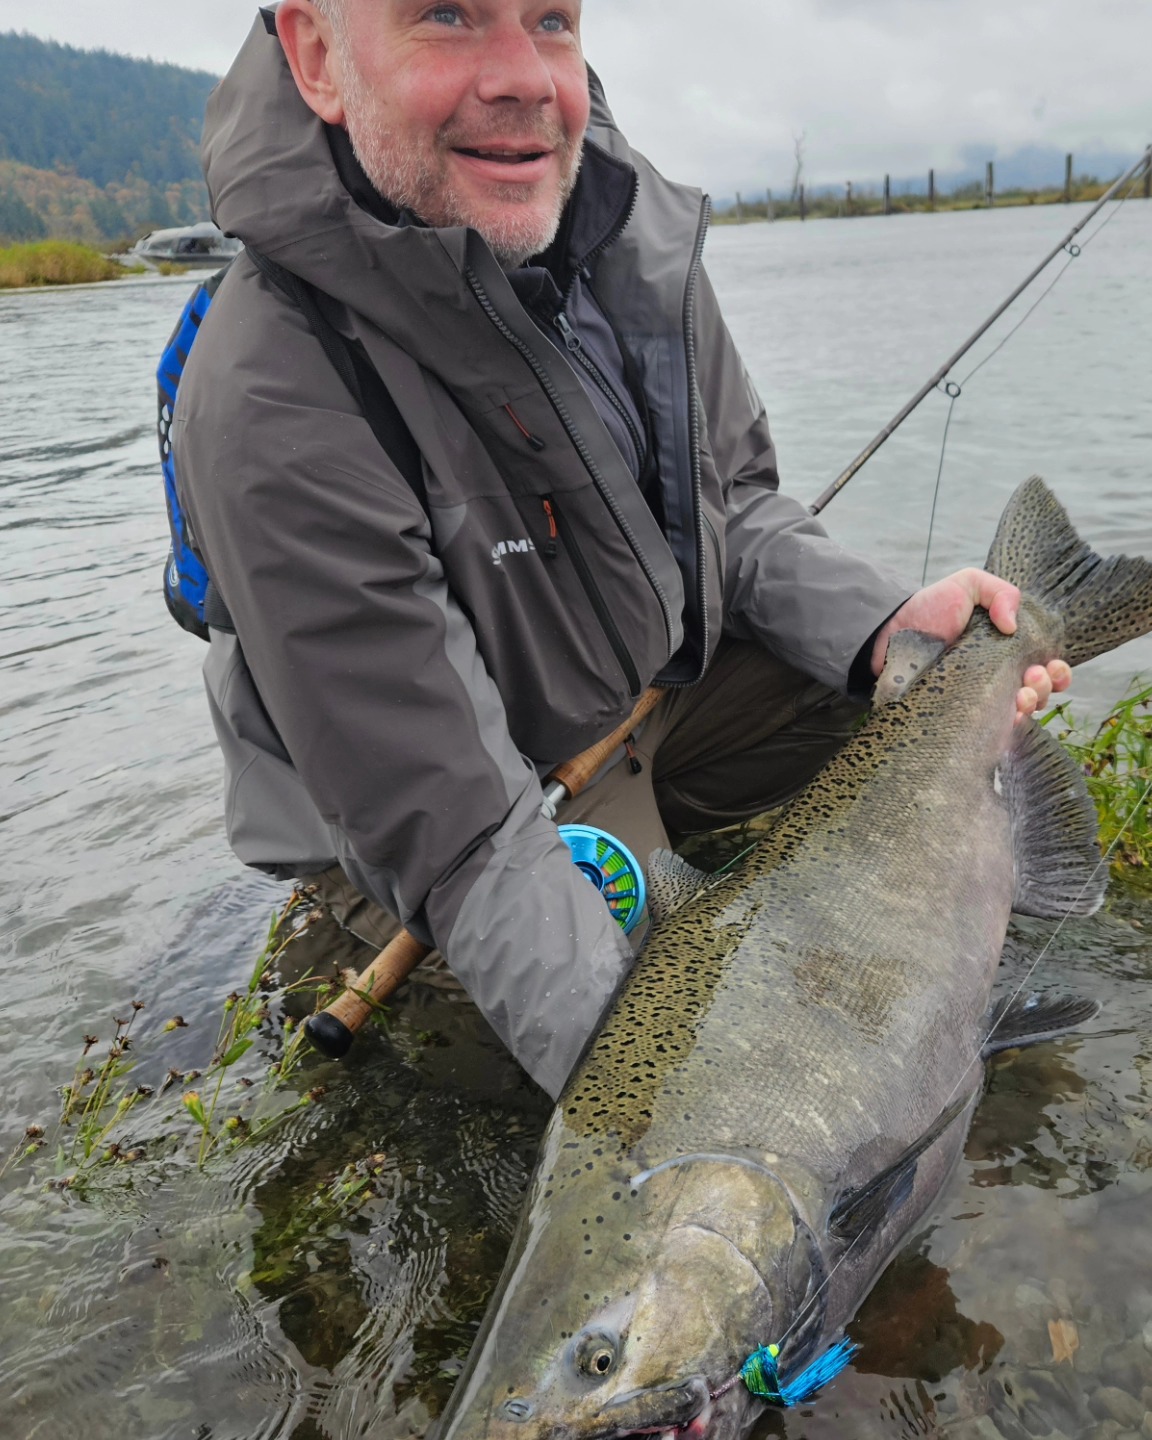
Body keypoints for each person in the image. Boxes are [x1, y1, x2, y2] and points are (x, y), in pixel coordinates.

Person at [174, 0, 1071, 1099]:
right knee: (564, 1068)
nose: (523, 77)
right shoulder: (269, 390)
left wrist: (884, 627)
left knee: (894, 696)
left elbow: (732, 508)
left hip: (630, 713)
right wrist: (676, 1103)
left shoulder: (624, 237)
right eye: (446, 16)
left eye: (549, 19)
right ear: (318, 56)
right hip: (429, 823)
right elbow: (460, 832)